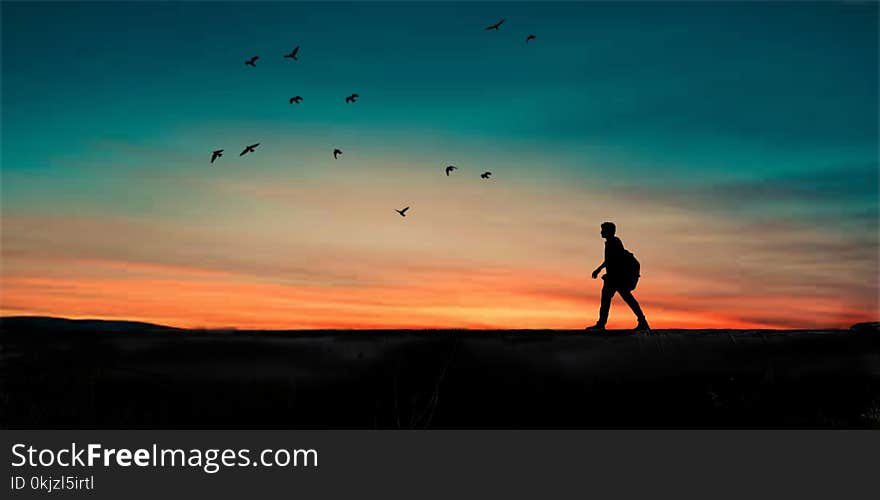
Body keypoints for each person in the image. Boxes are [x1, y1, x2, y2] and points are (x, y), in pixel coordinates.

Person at [585, 222, 650, 331]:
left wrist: (601, 271)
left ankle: (602, 324)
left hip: (617, 278)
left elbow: (615, 260)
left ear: (609, 231)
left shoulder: (614, 243)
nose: (601, 232)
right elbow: (609, 260)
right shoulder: (611, 243)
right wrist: (599, 269)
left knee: (620, 298)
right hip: (614, 277)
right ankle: (642, 321)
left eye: (603, 230)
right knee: (619, 298)